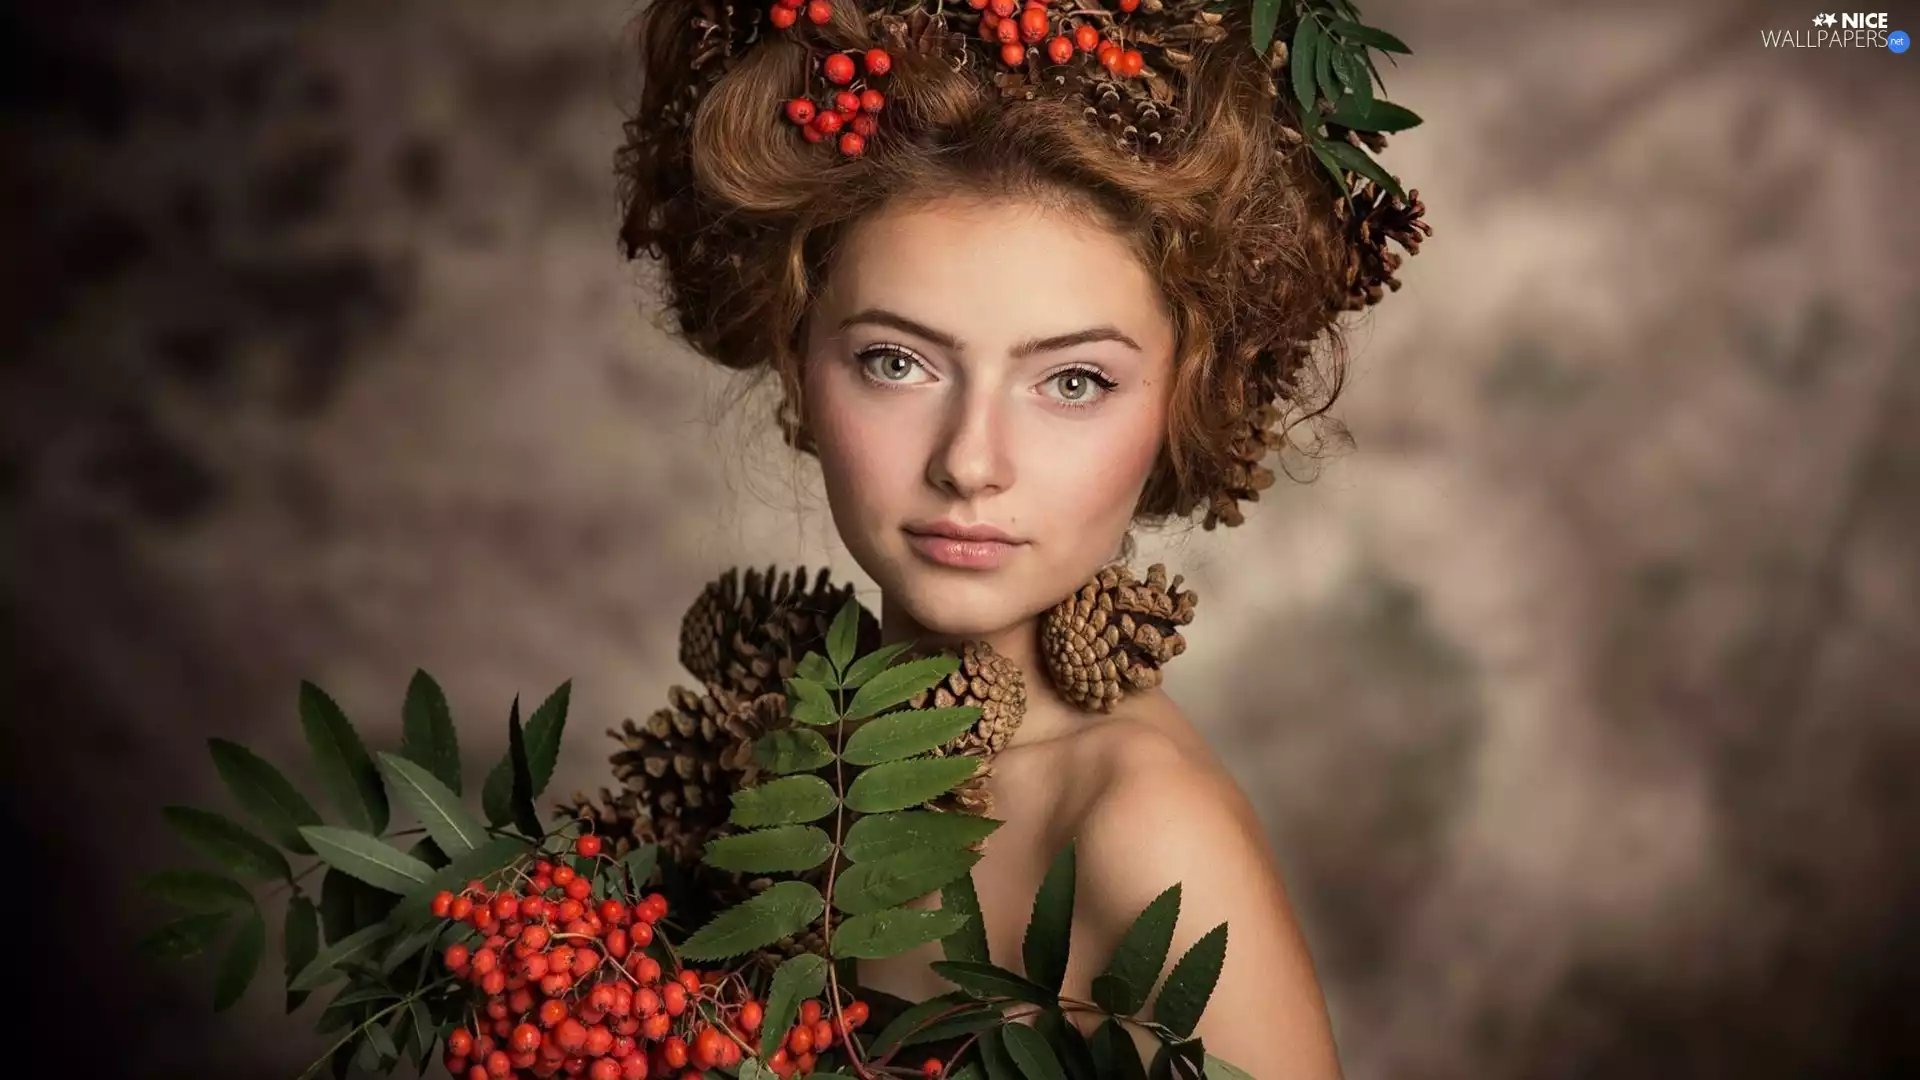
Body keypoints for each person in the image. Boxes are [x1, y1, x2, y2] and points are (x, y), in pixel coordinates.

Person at [608, 0, 1430, 1075]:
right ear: (794, 355)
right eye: (898, 362)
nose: (971, 460)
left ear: (1185, 399)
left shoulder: (1143, 836)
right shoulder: (766, 758)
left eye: (1073, 381)